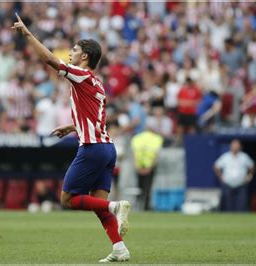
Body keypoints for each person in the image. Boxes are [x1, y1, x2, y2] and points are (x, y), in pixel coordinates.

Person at [13, 13, 131, 262]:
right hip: (108, 149)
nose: (70, 52)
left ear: (85, 57)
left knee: (68, 199)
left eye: (75, 49)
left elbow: (48, 59)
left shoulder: (81, 74)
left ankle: (116, 206)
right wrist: (71, 127)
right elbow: (95, 119)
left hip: (92, 149)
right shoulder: (97, 83)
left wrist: (27, 33)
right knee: (97, 206)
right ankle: (120, 248)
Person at [213, 139, 255, 212]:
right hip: (228, 184)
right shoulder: (225, 157)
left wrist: (249, 176)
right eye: (234, 146)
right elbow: (216, 166)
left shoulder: (244, 157)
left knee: (241, 204)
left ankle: (243, 221)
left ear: (240, 147)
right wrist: (221, 178)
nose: (235, 147)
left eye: (237, 146)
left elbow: (252, 166)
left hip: (241, 184)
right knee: (228, 205)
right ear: (231, 147)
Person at [130, 129, 163, 211]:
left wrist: (137, 167)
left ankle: (138, 206)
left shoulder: (136, 138)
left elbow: (134, 154)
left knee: (139, 187)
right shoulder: (157, 139)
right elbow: (156, 155)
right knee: (147, 188)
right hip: (149, 168)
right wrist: (150, 168)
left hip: (138, 168)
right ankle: (146, 207)